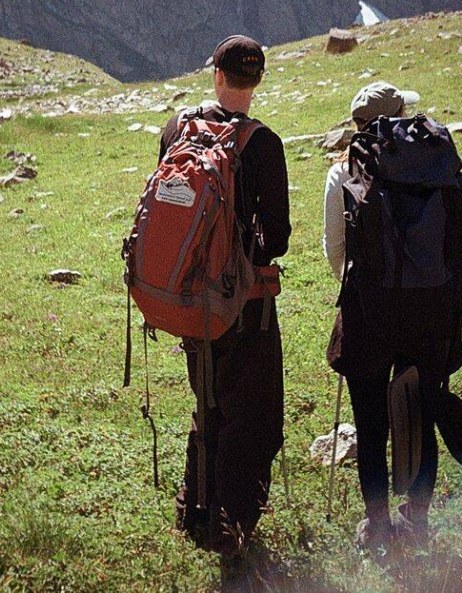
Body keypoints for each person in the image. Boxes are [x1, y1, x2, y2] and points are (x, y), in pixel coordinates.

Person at [159, 35, 291, 562]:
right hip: (246, 305)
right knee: (255, 416)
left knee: (207, 401)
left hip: (191, 300)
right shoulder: (263, 144)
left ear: (217, 74)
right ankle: (232, 527)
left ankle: (194, 509)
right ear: (256, 81)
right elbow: (277, 238)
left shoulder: (176, 129)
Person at [322, 81, 460, 549]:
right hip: (429, 309)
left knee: (371, 421)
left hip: (369, 313)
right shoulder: (437, 157)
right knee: (421, 415)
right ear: (403, 113)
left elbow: (335, 252)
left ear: (358, 125)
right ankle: (418, 522)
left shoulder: (344, 172)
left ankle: (378, 526)